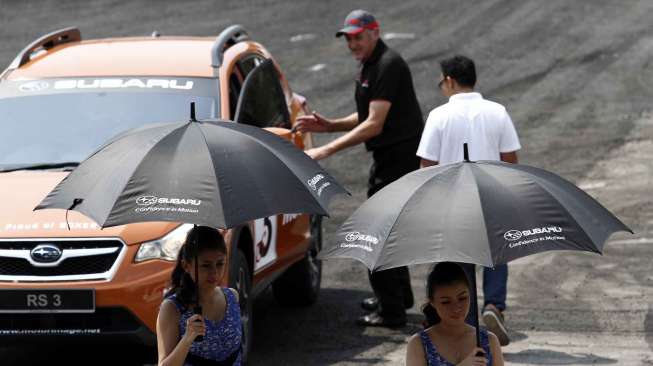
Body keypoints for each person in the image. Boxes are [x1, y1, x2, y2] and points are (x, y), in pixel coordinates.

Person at [294, 9, 424, 327]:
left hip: (399, 161)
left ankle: (392, 311)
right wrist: (329, 126)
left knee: (374, 231)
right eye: (349, 38)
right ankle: (397, 297)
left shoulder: (388, 64)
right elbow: (367, 114)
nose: (353, 43)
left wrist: (326, 149)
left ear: (375, 32)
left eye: (358, 37)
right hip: (387, 160)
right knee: (386, 229)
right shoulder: (370, 65)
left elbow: (374, 124)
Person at [416, 55, 521, 345]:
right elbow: (511, 159)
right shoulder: (498, 112)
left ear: (449, 80)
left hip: (452, 203)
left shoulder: (438, 116)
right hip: (491, 197)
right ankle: (494, 306)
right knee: (495, 254)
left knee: (458, 266)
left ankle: (468, 324)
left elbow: (427, 165)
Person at [157, 226, 242, 366]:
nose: (214, 273)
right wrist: (187, 339)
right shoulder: (172, 309)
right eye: (206, 265)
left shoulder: (232, 296)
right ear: (186, 266)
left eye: (220, 264)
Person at [405, 262, 504, 366]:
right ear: (432, 302)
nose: (456, 308)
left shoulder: (489, 341)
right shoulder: (419, 344)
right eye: (446, 302)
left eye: (462, 298)